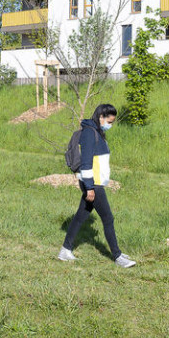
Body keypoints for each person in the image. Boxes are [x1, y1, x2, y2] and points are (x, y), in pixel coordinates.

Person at [59, 103, 136, 268]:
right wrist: (90, 187)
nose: (111, 125)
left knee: (81, 215)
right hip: (93, 183)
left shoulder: (96, 132)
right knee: (108, 218)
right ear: (101, 117)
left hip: (94, 182)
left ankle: (65, 250)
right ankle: (117, 256)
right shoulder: (89, 133)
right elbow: (86, 163)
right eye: (110, 121)